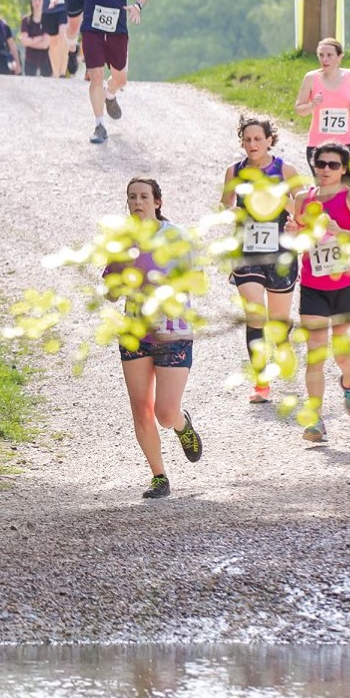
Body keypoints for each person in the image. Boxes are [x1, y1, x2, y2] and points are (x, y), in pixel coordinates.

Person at [103, 177, 203, 499]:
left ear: (157, 202)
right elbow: (109, 294)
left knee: (164, 412)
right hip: (134, 332)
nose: (137, 202)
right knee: (141, 409)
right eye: (132, 197)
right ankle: (159, 476)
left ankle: (181, 424)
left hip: (173, 331)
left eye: (144, 196)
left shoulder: (177, 236)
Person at [289, 144, 350, 444]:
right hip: (313, 287)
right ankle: (315, 419)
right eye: (321, 164)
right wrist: (293, 233)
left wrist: (344, 233)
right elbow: (299, 239)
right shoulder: (303, 200)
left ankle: (348, 383)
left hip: (346, 287)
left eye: (333, 165)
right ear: (314, 167)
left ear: (343, 169)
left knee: (341, 355)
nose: (326, 169)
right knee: (315, 354)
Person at [218, 116, 301, 404]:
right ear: (242, 141)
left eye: (258, 139)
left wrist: (287, 210)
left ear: (269, 140)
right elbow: (226, 205)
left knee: (277, 323)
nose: (252, 144)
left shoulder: (284, 170)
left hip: (281, 252)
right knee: (256, 316)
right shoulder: (235, 171)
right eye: (247, 139)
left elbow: (303, 210)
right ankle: (260, 381)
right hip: (246, 252)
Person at [56, 0, 148, 144]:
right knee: (95, 75)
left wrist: (137, 6)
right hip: (92, 29)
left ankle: (111, 94)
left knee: (120, 78)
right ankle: (99, 125)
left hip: (118, 30)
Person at [294, 37, 350, 159]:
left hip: (347, 142)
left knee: (346, 179)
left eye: (329, 55)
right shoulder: (311, 78)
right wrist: (312, 105)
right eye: (321, 55)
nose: (324, 59)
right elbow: (299, 109)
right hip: (318, 144)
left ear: (340, 57)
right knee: (323, 179)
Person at [27, 0, 68, 76]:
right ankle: (56, 73)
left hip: (66, 6)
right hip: (50, 8)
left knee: (63, 35)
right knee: (53, 42)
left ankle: (62, 71)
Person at [19, 0, 60, 77]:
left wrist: (31, 41)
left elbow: (45, 44)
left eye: (39, 1)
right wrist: (39, 39)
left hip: (46, 59)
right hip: (30, 59)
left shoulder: (48, 19)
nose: (37, 3)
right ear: (31, 3)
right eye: (34, 1)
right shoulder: (26, 20)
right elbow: (24, 42)